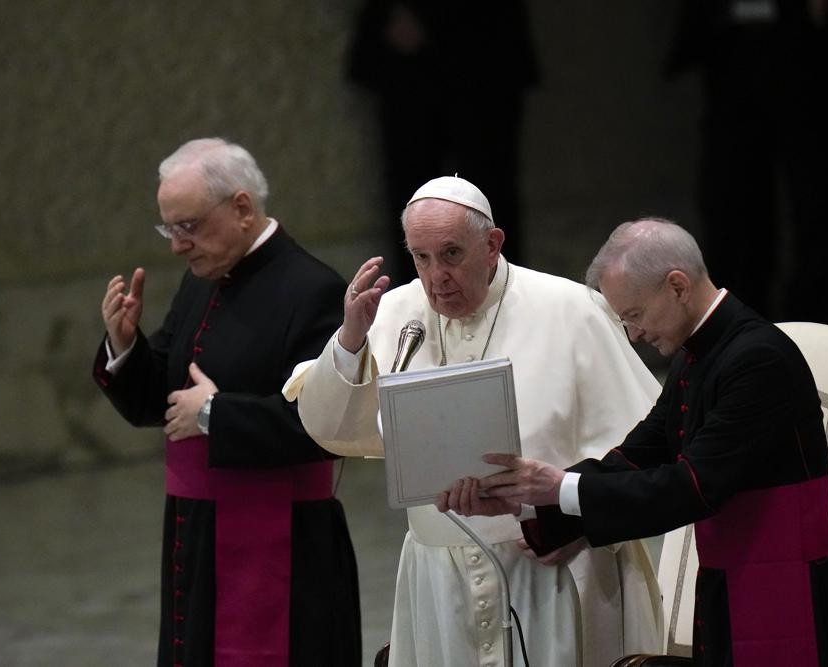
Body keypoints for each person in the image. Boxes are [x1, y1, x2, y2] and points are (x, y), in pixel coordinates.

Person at [440, 219, 828, 666]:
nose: (634, 334)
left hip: (789, 593)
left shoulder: (757, 359)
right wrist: (529, 500)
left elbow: (693, 487)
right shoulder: (696, 354)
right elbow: (638, 457)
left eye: (634, 314)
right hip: (734, 583)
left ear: (677, 286)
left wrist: (559, 488)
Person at [282, 176, 664, 666]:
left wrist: (580, 520)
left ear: (492, 244)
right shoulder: (393, 313)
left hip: (551, 565)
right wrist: (351, 341)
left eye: (451, 254)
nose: (436, 276)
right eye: (421, 258)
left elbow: (646, 448)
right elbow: (329, 427)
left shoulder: (571, 309)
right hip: (440, 580)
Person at [92, 138, 361, 666]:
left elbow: (327, 425)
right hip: (197, 533)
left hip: (284, 544)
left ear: (241, 208)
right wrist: (124, 345)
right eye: (169, 229)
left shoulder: (314, 290)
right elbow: (159, 400)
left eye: (188, 226)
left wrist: (216, 414)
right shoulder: (202, 281)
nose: (177, 246)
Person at [662, 0, 828, 323]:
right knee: (732, 209)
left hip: (806, 58)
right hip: (731, 54)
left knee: (817, 205)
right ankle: (737, 328)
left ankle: (809, 329)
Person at [345, 0, 539, 283]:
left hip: (485, 50)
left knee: (488, 191)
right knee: (415, 198)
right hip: (408, 61)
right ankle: (424, 294)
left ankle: (500, 292)